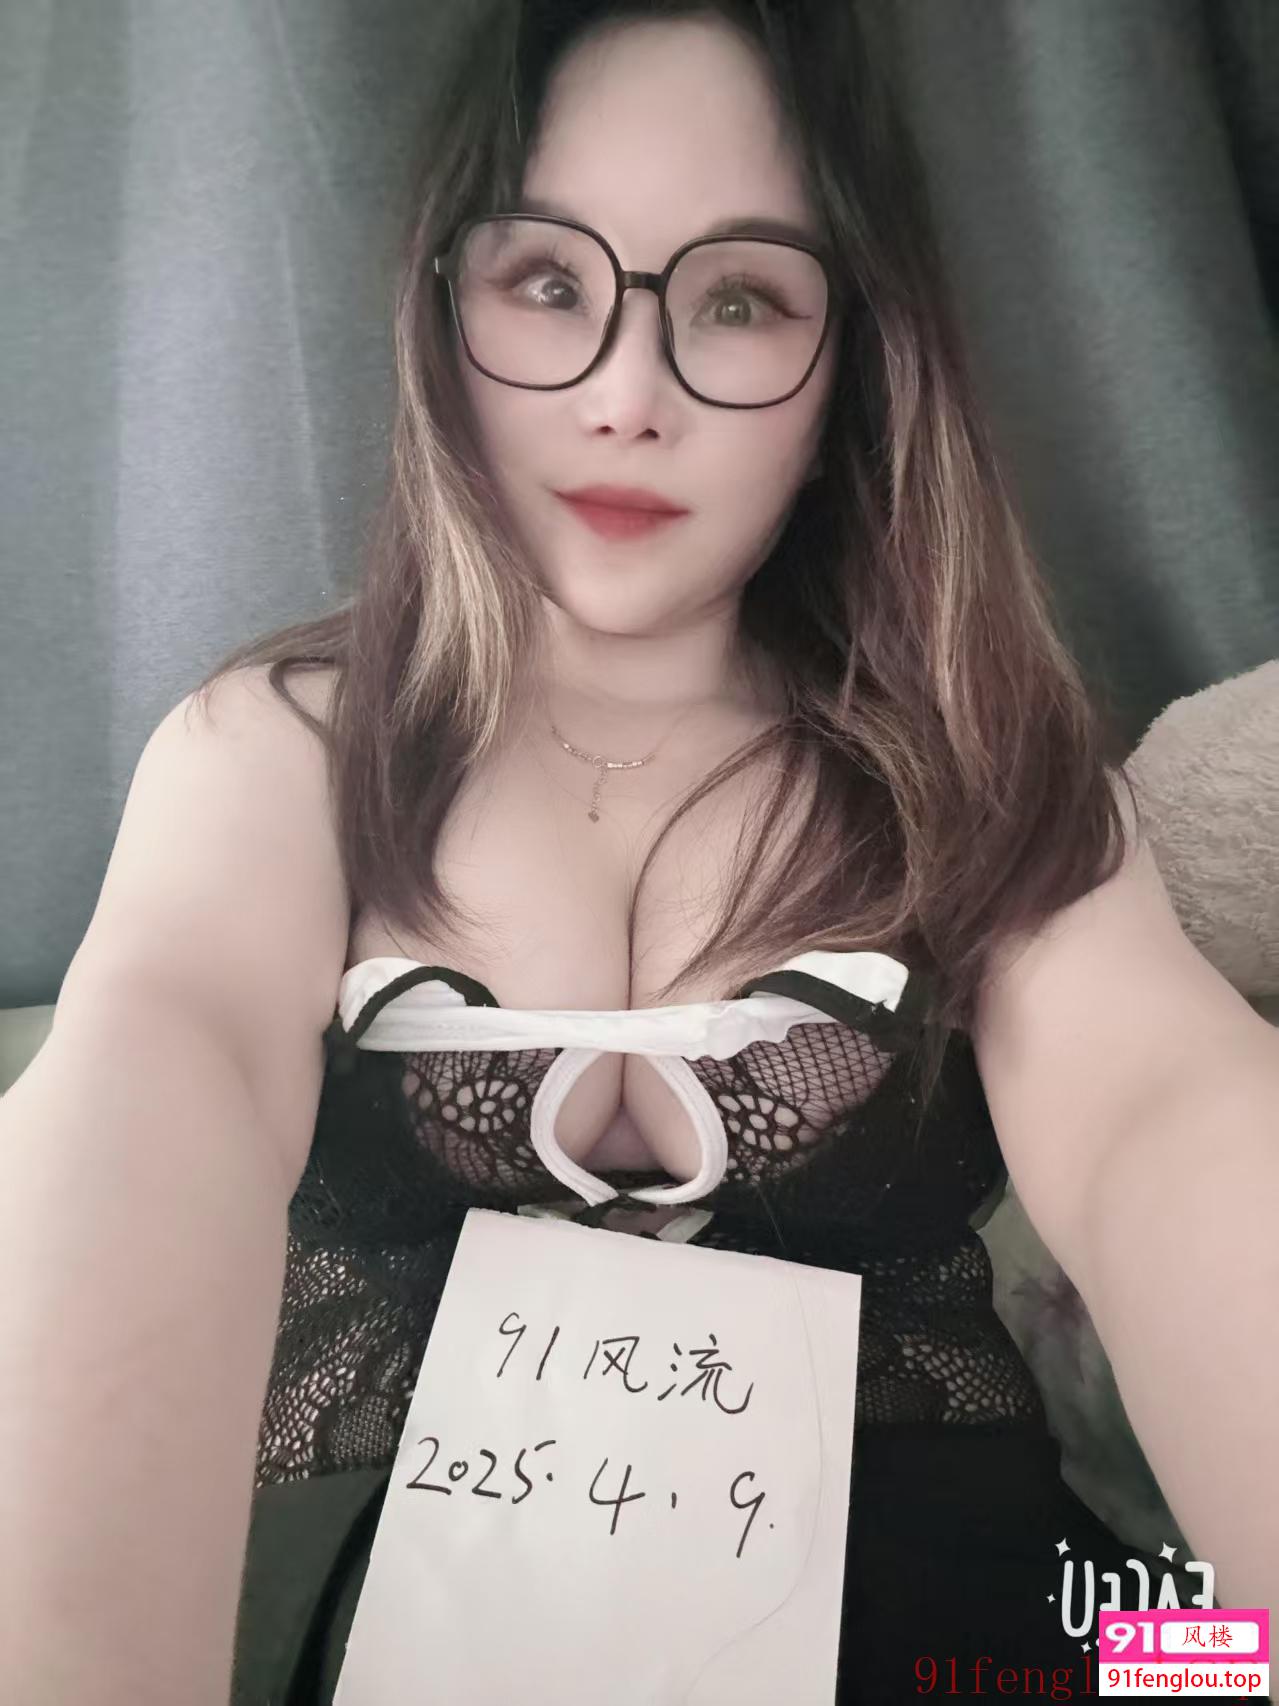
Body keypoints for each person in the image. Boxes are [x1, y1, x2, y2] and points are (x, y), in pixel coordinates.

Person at [4, 2, 1274, 1704]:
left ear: (851, 365)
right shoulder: (280, 753)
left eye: (739, 300)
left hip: (1001, 1645)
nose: (626, 394)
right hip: (441, 1646)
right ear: (441, 310)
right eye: (549, 281)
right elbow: (153, 1086)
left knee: (1201, 1667)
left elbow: (1165, 1114)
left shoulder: (978, 756)